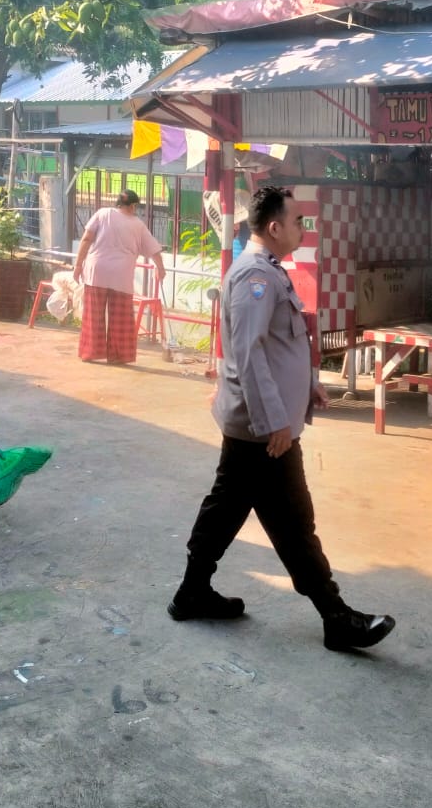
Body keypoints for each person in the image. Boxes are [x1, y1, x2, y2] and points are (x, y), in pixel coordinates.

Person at [169, 185, 396, 652]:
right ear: (274, 228)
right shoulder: (257, 276)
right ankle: (336, 616)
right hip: (263, 432)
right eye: (297, 222)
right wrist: (274, 420)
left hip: (259, 427)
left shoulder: (269, 270)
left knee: (227, 510)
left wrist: (306, 385)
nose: (302, 229)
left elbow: (279, 345)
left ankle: (192, 592)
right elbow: (248, 355)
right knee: (293, 521)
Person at [73, 189, 166, 365]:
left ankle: (89, 352)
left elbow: (86, 239)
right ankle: (119, 356)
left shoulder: (103, 213)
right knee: (121, 318)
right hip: (121, 274)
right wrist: (160, 268)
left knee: (93, 314)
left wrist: (78, 266)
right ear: (133, 206)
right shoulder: (137, 224)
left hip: (97, 270)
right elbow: (154, 249)